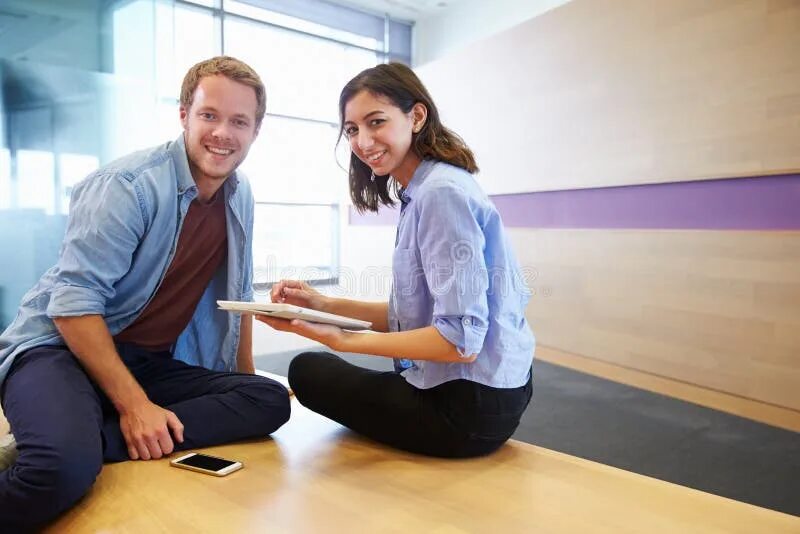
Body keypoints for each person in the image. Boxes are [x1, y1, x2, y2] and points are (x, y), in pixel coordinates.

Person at [0, 56, 291, 531]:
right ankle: (74, 443)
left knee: (271, 401)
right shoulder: (127, 186)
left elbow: (237, 296)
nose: (223, 133)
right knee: (58, 472)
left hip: (146, 361)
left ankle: (83, 437)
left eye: (239, 121)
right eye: (209, 115)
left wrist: (244, 384)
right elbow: (73, 307)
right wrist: (135, 407)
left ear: (256, 130)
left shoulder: (240, 194)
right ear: (184, 115)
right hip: (58, 351)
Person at [257, 62, 534, 459]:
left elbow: (460, 341)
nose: (363, 140)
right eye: (352, 130)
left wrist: (345, 339)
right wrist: (322, 306)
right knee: (316, 369)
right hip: (490, 394)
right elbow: (412, 315)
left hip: (466, 409)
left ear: (416, 116)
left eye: (376, 122)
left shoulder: (440, 193)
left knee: (307, 370)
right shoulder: (428, 188)